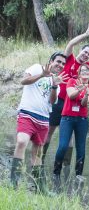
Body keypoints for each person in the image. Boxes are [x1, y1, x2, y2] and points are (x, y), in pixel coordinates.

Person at [42, 23, 89, 178]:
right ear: (80, 51)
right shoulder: (69, 59)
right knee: (50, 132)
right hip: (59, 101)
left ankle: (66, 166)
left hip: (76, 106)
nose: (86, 55)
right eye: (85, 52)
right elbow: (70, 44)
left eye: (88, 54)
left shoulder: (86, 69)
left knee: (71, 140)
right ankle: (41, 159)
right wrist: (86, 34)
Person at [10, 52, 67, 194]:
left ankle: (40, 188)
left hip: (43, 119)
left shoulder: (57, 81)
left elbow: (52, 102)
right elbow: (23, 81)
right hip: (27, 113)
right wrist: (42, 75)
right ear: (51, 61)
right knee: (22, 141)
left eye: (63, 64)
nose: (60, 65)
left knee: (37, 153)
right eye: (58, 62)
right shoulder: (37, 68)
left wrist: (54, 86)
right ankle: (13, 185)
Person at [53, 64, 89, 189]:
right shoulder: (72, 81)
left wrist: (86, 94)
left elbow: (84, 104)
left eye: (87, 70)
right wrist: (79, 89)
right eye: (82, 70)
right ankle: (56, 171)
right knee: (63, 146)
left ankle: (78, 174)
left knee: (81, 147)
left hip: (82, 120)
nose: (84, 72)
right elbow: (71, 95)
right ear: (79, 73)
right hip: (67, 118)